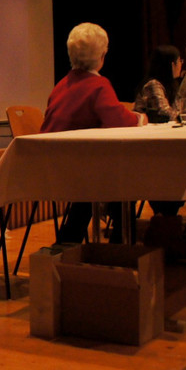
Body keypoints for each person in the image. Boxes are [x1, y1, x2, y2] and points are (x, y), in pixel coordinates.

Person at [41, 23, 146, 243]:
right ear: (101, 56)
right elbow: (120, 121)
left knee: (101, 180)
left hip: (51, 167)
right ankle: (121, 243)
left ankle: (70, 240)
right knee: (124, 178)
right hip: (79, 170)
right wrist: (140, 118)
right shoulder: (98, 85)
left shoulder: (60, 86)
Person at [133, 45, 182, 123]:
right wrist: (184, 116)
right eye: (179, 61)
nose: (181, 64)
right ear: (172, 65)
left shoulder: (172, 84)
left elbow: (177, 110)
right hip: (146, 129)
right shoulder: (153, 84)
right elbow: (164, 112)